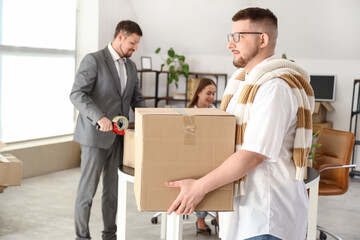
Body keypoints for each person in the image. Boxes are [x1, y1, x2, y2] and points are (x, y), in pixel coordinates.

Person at [166, 7, 314, 240]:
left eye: (239, 37)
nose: (230, 44)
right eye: (230, 36)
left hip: (266, 218)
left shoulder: (273, 88)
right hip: (243, 216)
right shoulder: (243, 85)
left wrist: (200, 188)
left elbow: (254, 153)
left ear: (262, 39)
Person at [70, 20, 146, 240]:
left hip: (119, 138)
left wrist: (150, 120)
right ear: (120, 37)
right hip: (95, 136)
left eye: (137, 44)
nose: (135, 48)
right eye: (132, 43)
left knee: (112, 192)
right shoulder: (94, 60)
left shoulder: (131, 66)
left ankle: (109, 235)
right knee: (87, 192)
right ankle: (82, 237)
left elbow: (136, 99)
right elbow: (77, 94)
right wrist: (99, 117)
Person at [188, 78, 217, 236]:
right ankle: (200, 219)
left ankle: (219, 214)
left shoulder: (215, 112)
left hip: (210, 154)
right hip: (192, 156)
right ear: (199, 92)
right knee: (200, 178)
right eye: (208, 93)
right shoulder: (188, 112)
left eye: (213, 94)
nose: (211, 97)